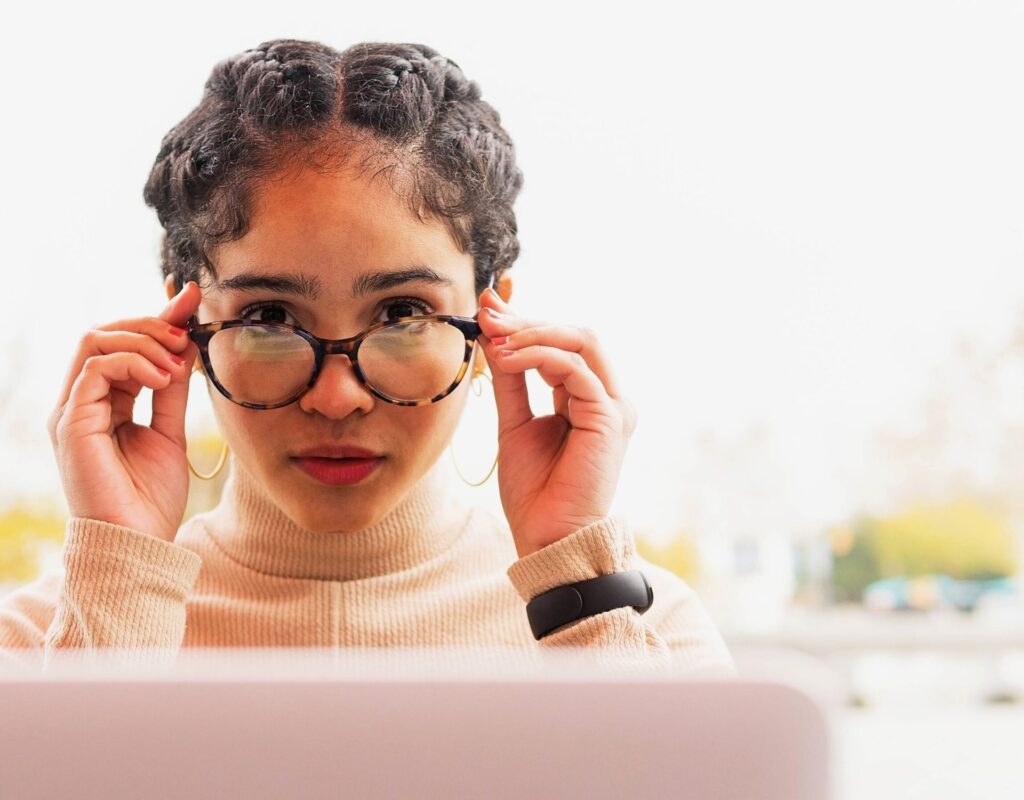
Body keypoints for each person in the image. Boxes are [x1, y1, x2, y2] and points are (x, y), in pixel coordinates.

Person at [0, 38, 734, 674]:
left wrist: (575, 579)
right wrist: (120, 594)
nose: (337, 397)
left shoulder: (641, 632)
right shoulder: (42, 646)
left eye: (403, 313)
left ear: (488, 322)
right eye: (269, 316)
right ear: (186, 328)